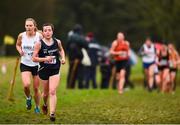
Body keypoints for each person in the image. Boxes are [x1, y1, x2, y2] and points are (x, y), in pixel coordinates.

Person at [32, 23, 65, 121]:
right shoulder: (39, 44)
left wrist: (63, 58)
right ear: (42, 32)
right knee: (45, 94)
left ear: (52, 31)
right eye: (45, 30)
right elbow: (34, 58)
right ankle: (45, 104)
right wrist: (45, 59)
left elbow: (61, 50)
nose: (47, 32)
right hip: (43, 70)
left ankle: (52, 113)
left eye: (49, 30)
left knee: (52, 91)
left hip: (55, 69)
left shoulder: (57, 42)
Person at [16, 18, 42, 113]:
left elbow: (45, 46)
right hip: (25, 63)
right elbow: (18, 45)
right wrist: (20, 51)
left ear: (34, 26)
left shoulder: (39, 36)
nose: (28, 27)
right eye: (27, 25)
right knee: (26, 85)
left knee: (36, 88)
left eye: (30, 25)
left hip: (37, 64)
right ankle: (28, 97)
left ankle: (37, 107)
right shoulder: (21, 35)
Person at [66, 24, 88, 89]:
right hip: (79, 57)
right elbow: (86, 46)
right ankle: (80, 86)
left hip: (71, 57)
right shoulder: (81, 37)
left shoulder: (70, 37)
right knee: (80, 73)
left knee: (71, 72)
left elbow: (67, 46)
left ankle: (70, 86)